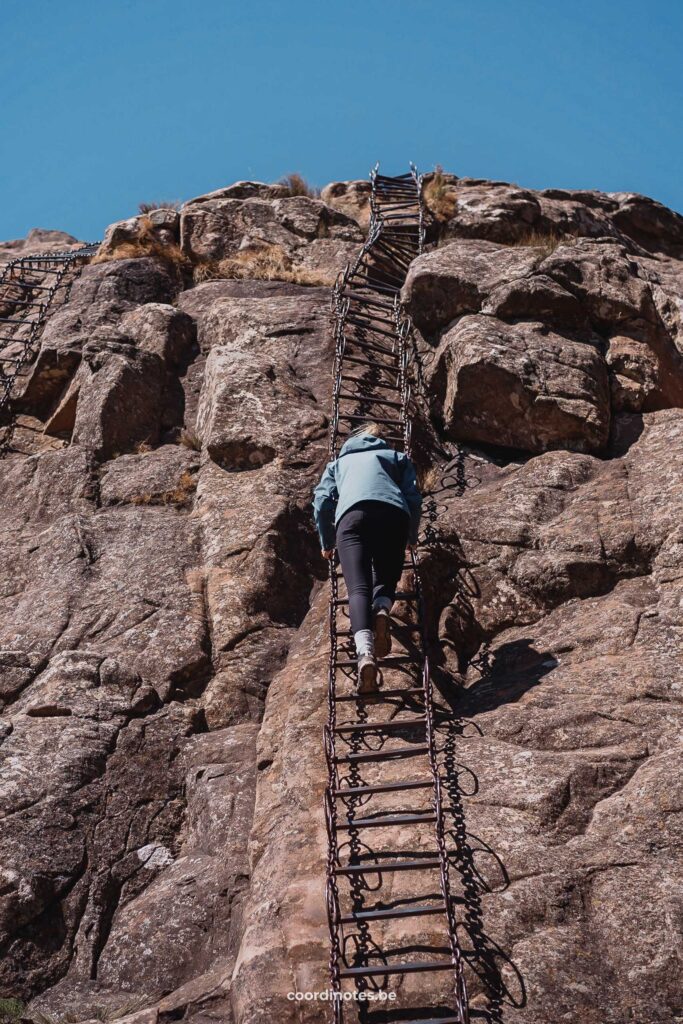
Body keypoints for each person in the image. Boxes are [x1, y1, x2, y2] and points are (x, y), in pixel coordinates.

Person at [311, 422, 423, 693]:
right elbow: (414, 497)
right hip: (394, 514)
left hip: (352, 517)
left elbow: (323, 501)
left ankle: (365, 655)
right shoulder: (396, 458)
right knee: (386, 573)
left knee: (358, 587)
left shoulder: (338, 464)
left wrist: (327, 541)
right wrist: (410, 535)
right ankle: (382, 609)